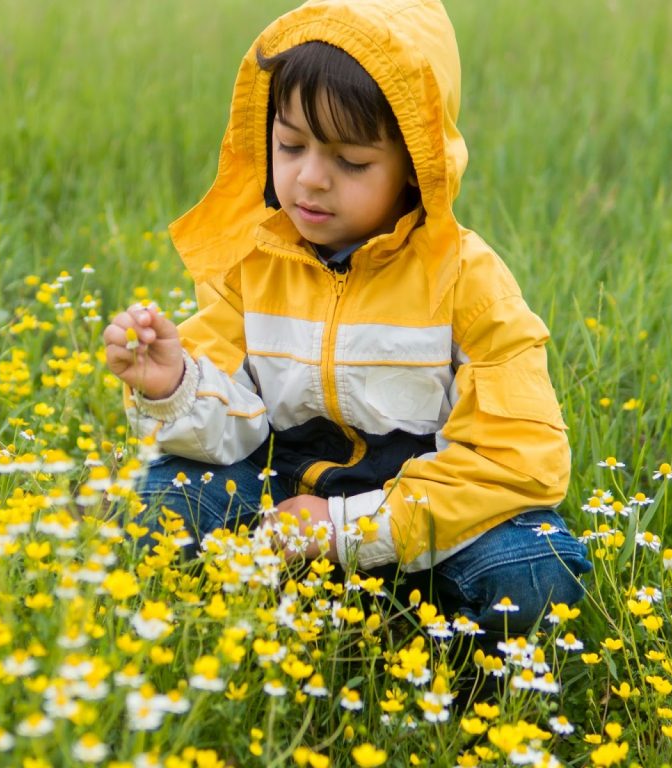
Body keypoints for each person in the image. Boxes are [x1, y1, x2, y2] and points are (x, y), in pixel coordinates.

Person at [102, 0, 590, 638]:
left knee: (536, 572)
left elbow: (516, 458)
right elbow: (234, 431)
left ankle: (402, 616)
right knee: (155, 504)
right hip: (283, 503)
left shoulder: (468, 281)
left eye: (350, 162)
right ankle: (287, 600)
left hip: (425, 516)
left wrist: (348, 531)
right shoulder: (255, 263)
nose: (309, 179)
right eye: (290, 145)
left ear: (416, 169)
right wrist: (174, 384)